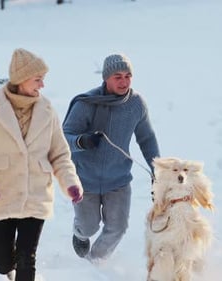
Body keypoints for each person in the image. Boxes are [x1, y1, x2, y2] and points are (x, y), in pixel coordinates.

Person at [0, 48, 83, 281]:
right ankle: (9, 267)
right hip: (1, 195)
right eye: (38, 79)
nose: (42, 85)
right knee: (3, 262)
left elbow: (60, 154)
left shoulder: (47, 111)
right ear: (21, 79)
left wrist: (70, 182)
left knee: (27, 258)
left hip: (36, 194)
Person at [62, 53, 160, 263]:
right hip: (85, 179)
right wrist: (82, 141)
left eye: (128, 76)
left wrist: (157, 170)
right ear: (106, 78)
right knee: (89, 226)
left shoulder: (136, 104)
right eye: (118, 76)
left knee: (118, 228)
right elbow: (64, 136)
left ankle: (94, 263)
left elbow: (147, 138)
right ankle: (79, 233)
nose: (124, 81)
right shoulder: (87, 103)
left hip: (118, 180)